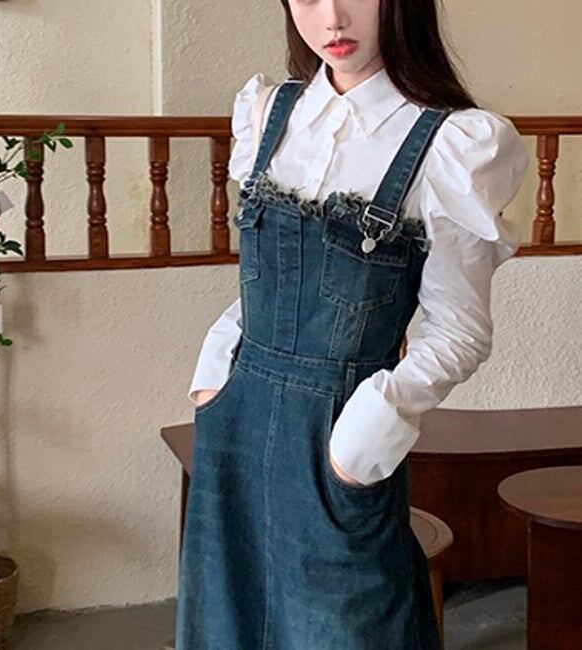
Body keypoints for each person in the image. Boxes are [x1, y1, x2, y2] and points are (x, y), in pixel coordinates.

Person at [176, 0, 530, 648]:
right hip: (235, 427)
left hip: (337, 435)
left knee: (349, 630)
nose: (332, 18)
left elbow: (458, 329)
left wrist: (363, 437)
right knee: (228, 624)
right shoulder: (266, 114)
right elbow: (263, 284)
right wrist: (212, 379)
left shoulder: (451, 143)